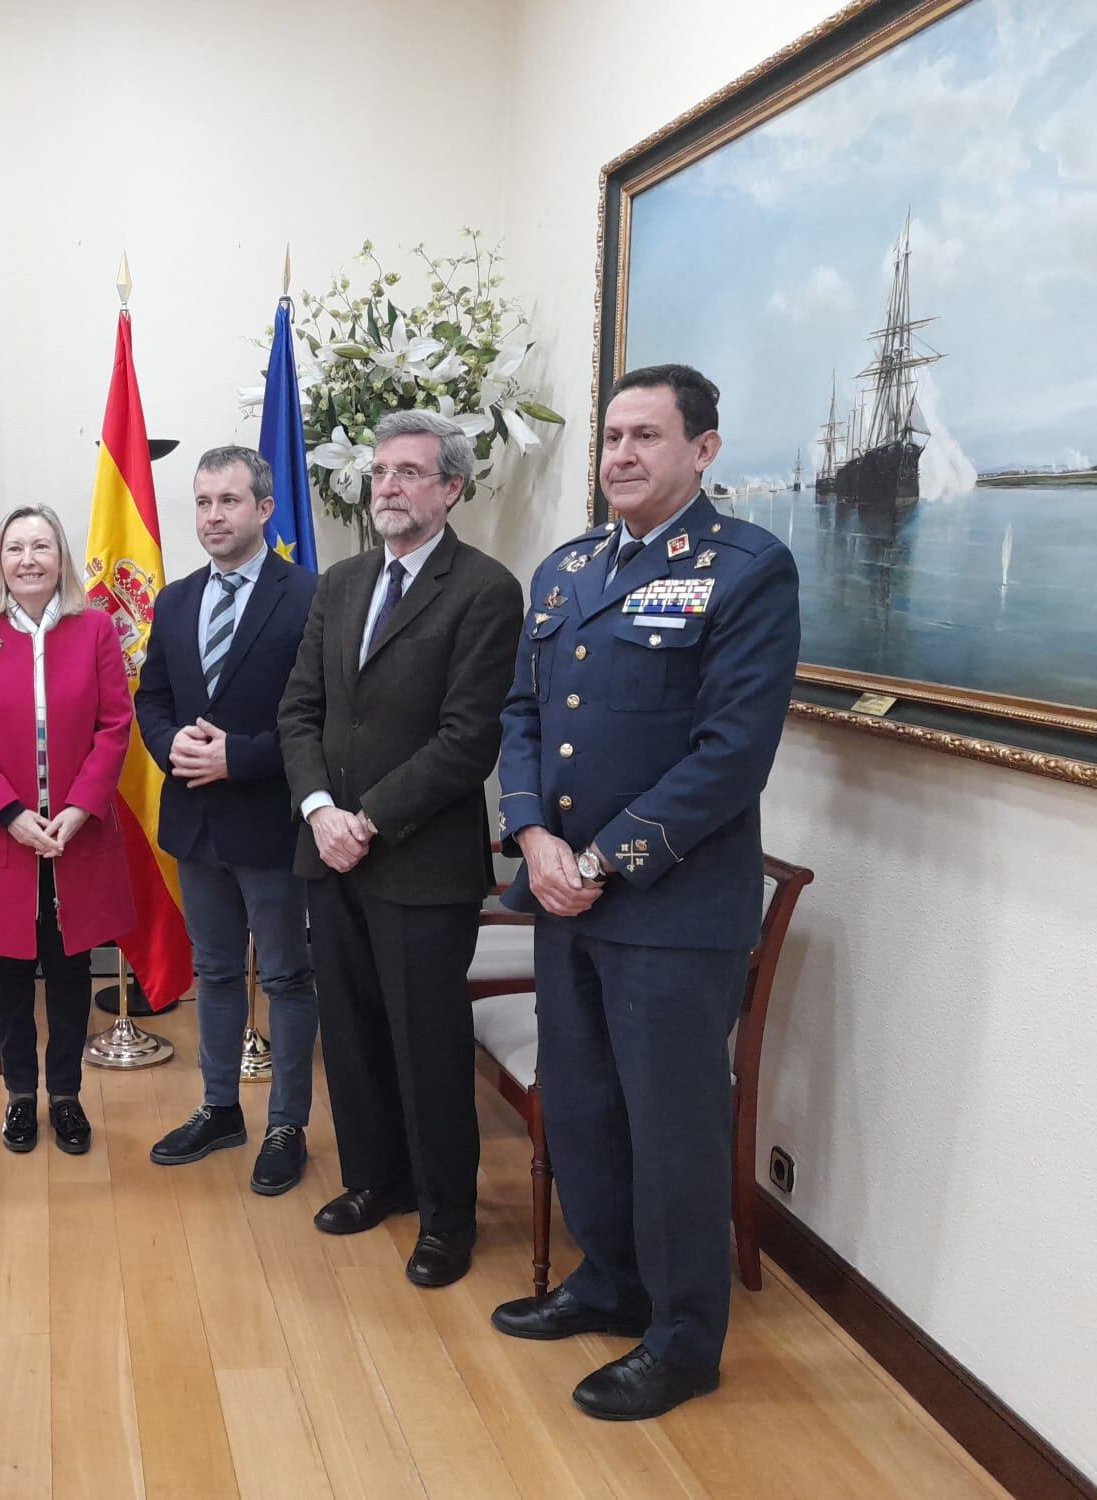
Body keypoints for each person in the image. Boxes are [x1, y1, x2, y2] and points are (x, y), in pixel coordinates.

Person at [490, 363, 799, 1420]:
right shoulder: (566, 567)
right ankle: (608, 1280)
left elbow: (728, 755)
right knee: (579, 1108)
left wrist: (595, 861)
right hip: (560, 893)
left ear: (701, 450)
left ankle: (679, 1338)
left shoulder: (746, 570)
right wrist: (530, 834)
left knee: (669, 1127)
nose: (619, 454)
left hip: (667, 910)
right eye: (611, 436)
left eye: (645, 437)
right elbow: (521, 718)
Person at [279, 409, 524, 1287]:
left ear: (451, 488)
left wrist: (366, 820)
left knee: (426, 1046)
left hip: (419, 862)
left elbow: (467, 740)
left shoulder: (486, 590)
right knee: (348, 1036)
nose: (388, 485)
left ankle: (448, 1219)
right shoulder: (339, 584)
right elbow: (297, 711)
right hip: (327, 854)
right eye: (380, 471)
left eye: (410, 472)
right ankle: (375, 1181)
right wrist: (317, 810)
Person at [137, 446, 321, 1194]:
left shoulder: (310, 596)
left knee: (284, 974)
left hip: (270, 822)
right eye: (203, 502)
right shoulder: (176, 600)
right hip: (195, 822)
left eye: (229, 502)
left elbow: (322, 717)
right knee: (212, 971)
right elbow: (151, 699)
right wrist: (168, 742)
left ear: (265, 509)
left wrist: (237, 759)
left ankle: (287, 1124)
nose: (214, 516)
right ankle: (219, 1109)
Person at [0, 505, 134, 1155]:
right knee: (11, 973)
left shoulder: (96, 629)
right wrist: (12, 814)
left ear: (61, 558)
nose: (28, 559)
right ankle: (20, 1097)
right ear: (0, 560)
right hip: (5, 836)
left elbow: (115, 726)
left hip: (75, 834)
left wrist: (78, 808)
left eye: (41, 546)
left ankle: (67, 1096)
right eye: (15, 547)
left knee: (72, 968)